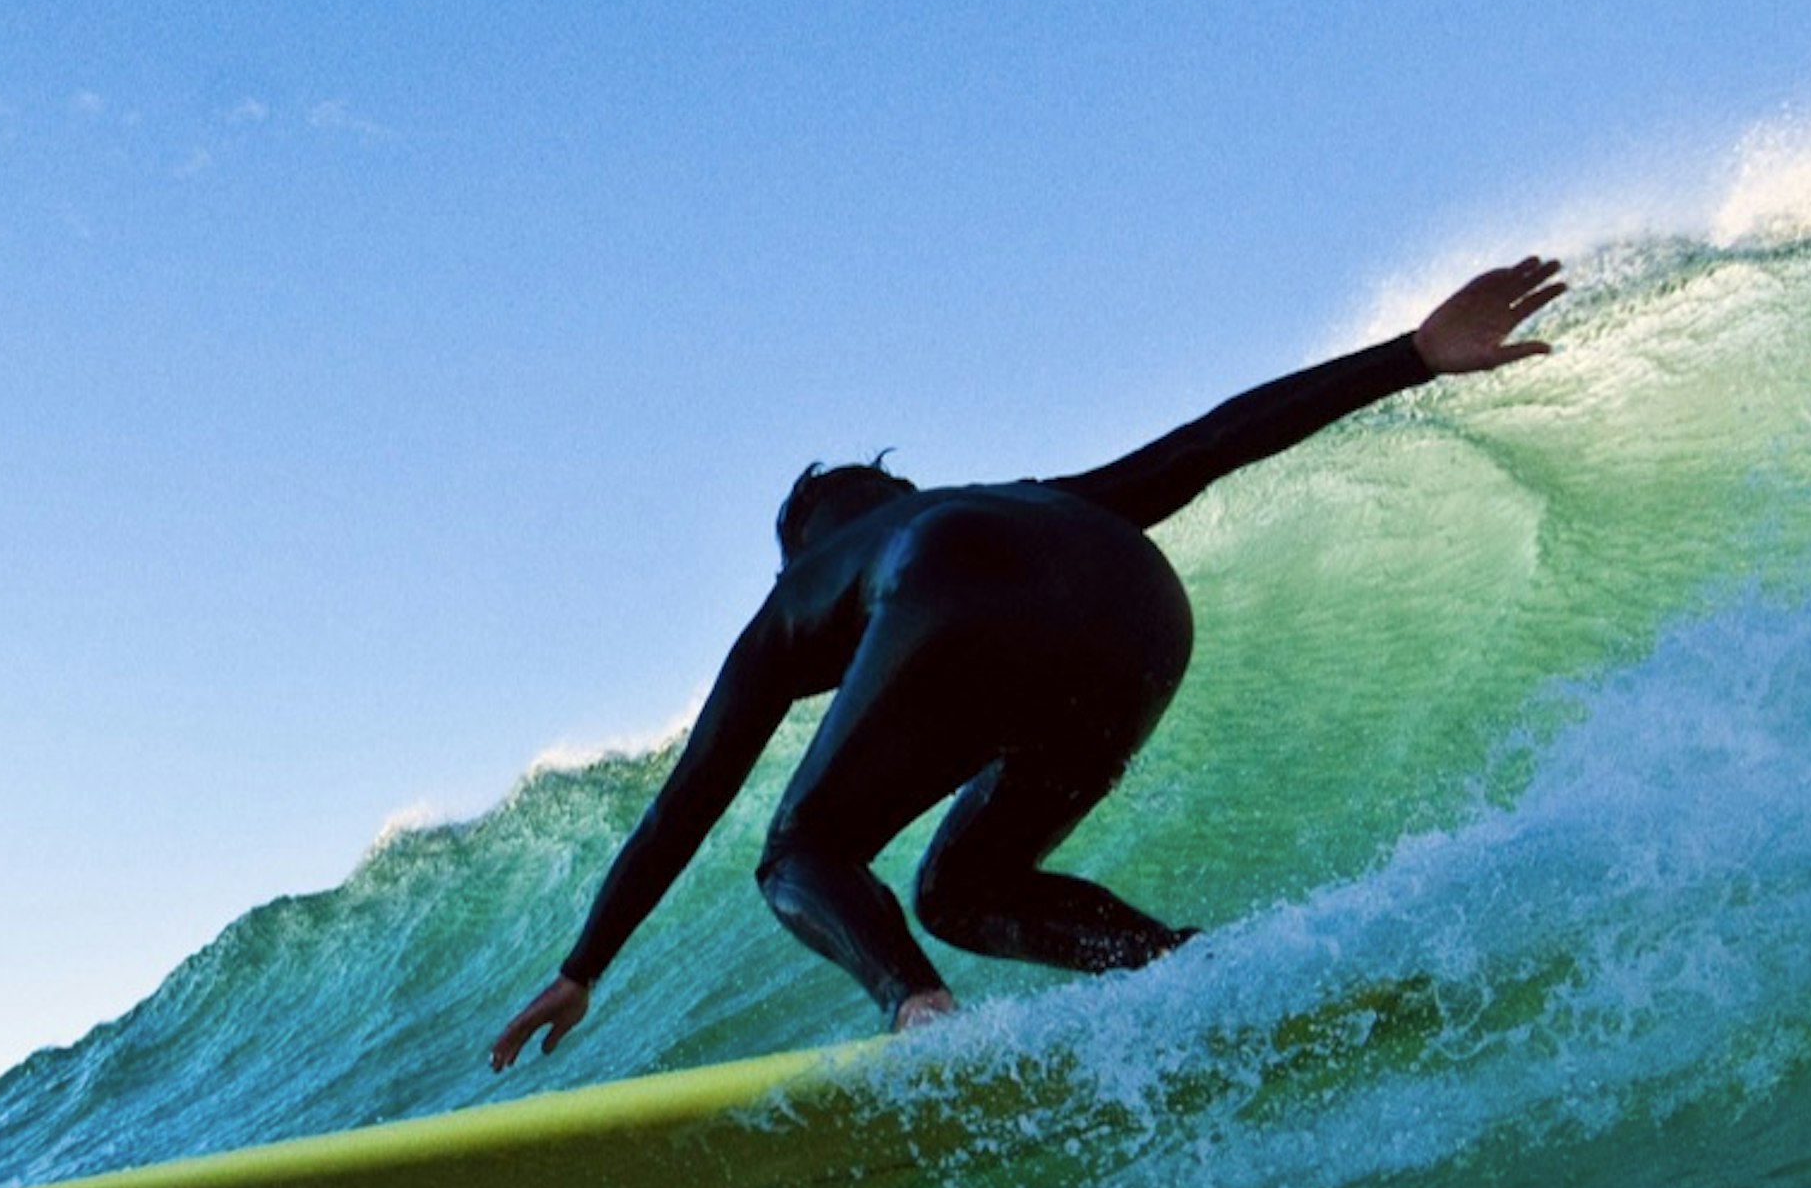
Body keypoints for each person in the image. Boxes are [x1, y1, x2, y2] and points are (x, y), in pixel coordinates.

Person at [488, 258, 1565, 1072]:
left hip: (953, 599)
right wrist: (1411, 355)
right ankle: (1191, 975)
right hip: (1141, 614)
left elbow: (685, 805)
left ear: (804, 547)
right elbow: (1208, 443)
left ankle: (920, 1012)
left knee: (800, 848)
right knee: (962, 887)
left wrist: (584, 966)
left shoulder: (801, 589)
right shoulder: (1024, 498)